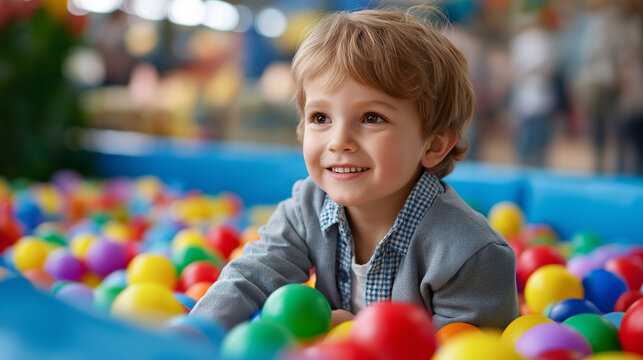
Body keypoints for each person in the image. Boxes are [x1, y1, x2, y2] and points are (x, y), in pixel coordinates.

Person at [190, 8, 519, 331]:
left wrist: (352, 336)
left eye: (372, 118)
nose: (339, 141)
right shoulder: (308, 207)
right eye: (321, 118)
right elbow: (251, 276)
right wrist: (194, 334)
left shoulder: (471, 255)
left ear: (432, 146)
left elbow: (463, 350)